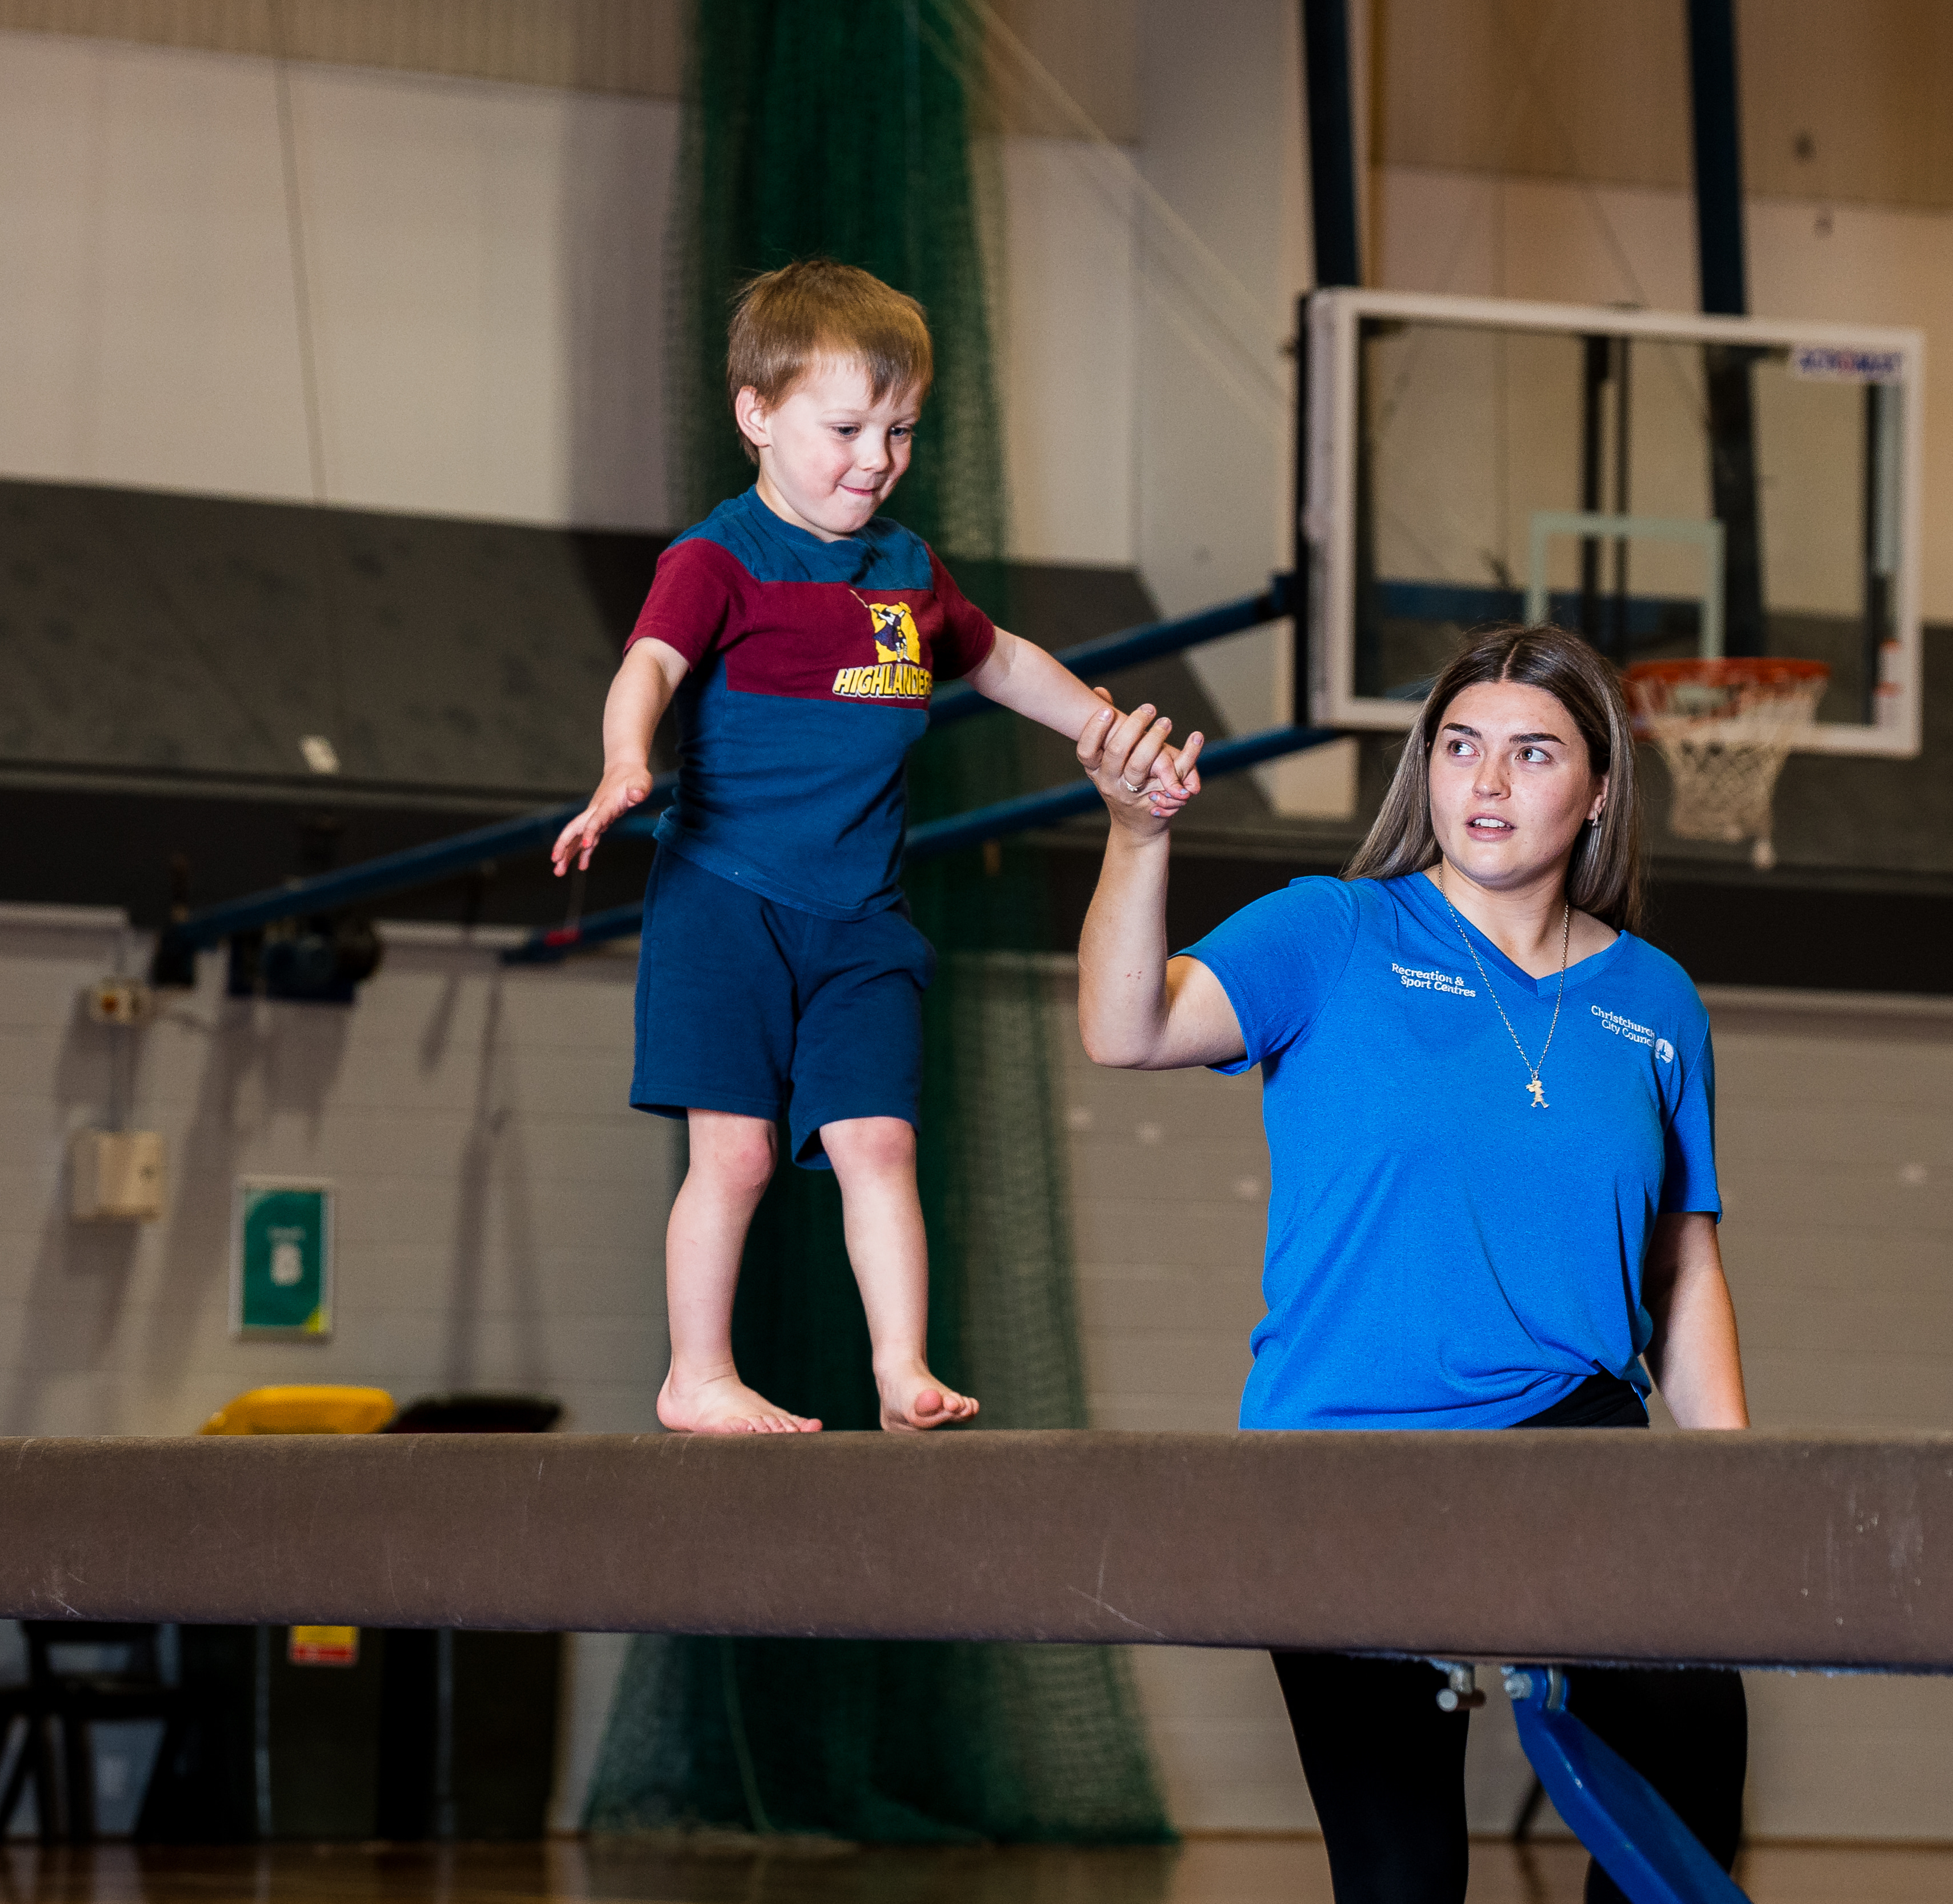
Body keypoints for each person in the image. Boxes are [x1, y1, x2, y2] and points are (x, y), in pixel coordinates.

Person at [1073, 624, 1749, 1904]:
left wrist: (1738, 1483)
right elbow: (1126, 1025)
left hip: (1573, 1434)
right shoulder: (1331, 930)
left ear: (1601, 789)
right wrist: (1137, 835)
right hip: (1346, 1453)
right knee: (1402, 1876)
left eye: (1533, 752)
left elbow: (1684, 1267)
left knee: (1689, 1774)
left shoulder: (1657, 1000)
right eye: (1460, 746)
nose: (1487, 781)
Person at [553, 258, 1202, 1437]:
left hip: (861, 918)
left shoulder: (905, 571)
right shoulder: (719, 559)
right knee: (737, 1156)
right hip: (726, 900)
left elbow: (1002, 660)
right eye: (846, 428)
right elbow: (649, 661)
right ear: (756, 414)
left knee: (880, 1140)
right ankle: (696, 1374)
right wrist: (623, 759)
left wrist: (1104, 731)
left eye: (900, 431)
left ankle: (902, 1369)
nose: (877, 458)